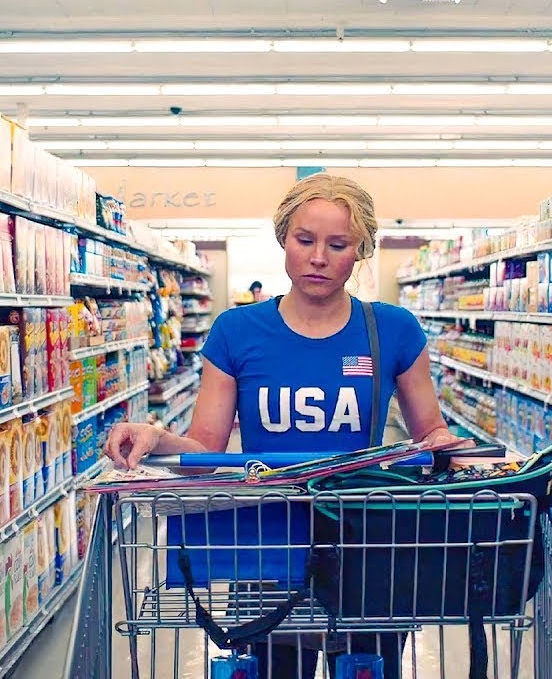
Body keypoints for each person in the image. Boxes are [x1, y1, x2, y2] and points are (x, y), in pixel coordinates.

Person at [104, 173, 463, 678]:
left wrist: (461, 451)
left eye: (338, 244)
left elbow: (431, 432)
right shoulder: (238, 330)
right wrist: (157, 436)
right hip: (267, 544)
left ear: (359, 252)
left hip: (366, 544)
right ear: (283, 240)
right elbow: (206, 445)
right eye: (305, 240)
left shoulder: (394, 329)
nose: (319, 257)